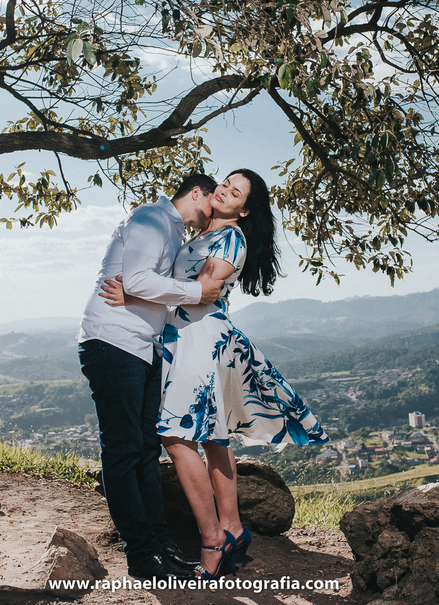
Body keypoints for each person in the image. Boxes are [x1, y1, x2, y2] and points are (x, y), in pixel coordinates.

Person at [102, 169, 328, 579]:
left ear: (244, 210)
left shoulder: (230, 238)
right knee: (212, 436)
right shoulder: (203, 236)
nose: (224, 189)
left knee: (174, 435)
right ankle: (234, 528)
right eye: (225, 182)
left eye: (236, 191)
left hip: (199, 339)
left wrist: (131, 292)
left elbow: (202, 292)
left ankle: (212, 538)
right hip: (186, 337)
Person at [76, 173, 223, 580]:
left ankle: (160, 546)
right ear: (198, 193)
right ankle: (141, 554)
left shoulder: (172, 232)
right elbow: (138, 279)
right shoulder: (151, 219)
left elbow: (140, 286)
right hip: (113, 342)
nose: (213, 212)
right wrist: (198, 292)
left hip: (143, 346)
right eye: (213, 201)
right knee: (124, 450)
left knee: (144, 448)